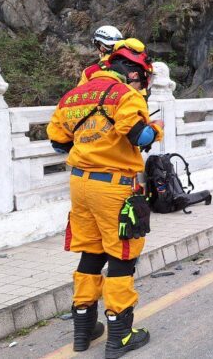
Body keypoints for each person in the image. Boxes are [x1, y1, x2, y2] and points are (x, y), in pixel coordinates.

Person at [47, 40, 162, 358]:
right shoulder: (124, 95)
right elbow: (140, 136)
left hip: (80, 185)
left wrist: (90, 151)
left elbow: (59, 143)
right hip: (113, 187)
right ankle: (120, 335)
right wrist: (156, 128)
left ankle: (83, 330)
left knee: (91, 251)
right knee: (122, 256)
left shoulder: (73, 96)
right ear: (133, 73)